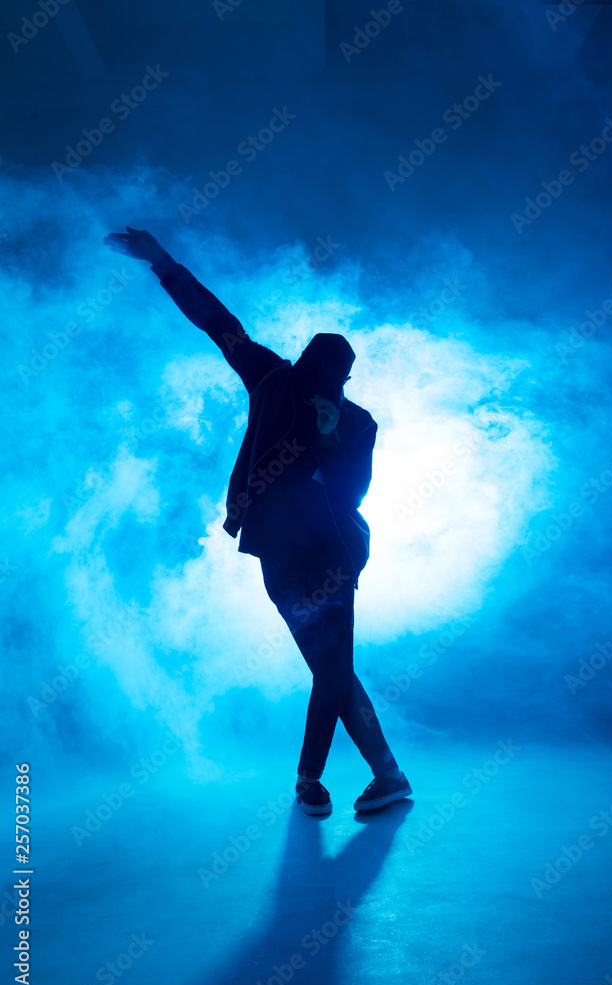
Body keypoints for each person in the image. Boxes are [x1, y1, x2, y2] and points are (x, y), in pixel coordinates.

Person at [103, 226, 412, 816]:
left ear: (345, 385)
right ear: (302, 369)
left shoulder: (356, 422)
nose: (331, 388)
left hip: (333, 552)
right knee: (331, 668)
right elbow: (218, 323)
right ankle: (384, 775)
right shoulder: (270, 379)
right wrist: (162, 262)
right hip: (277, 552)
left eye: (339, 383)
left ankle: (312, 782)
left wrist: (327, 440)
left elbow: (353, 494)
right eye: (327, 378)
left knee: (333, 666)